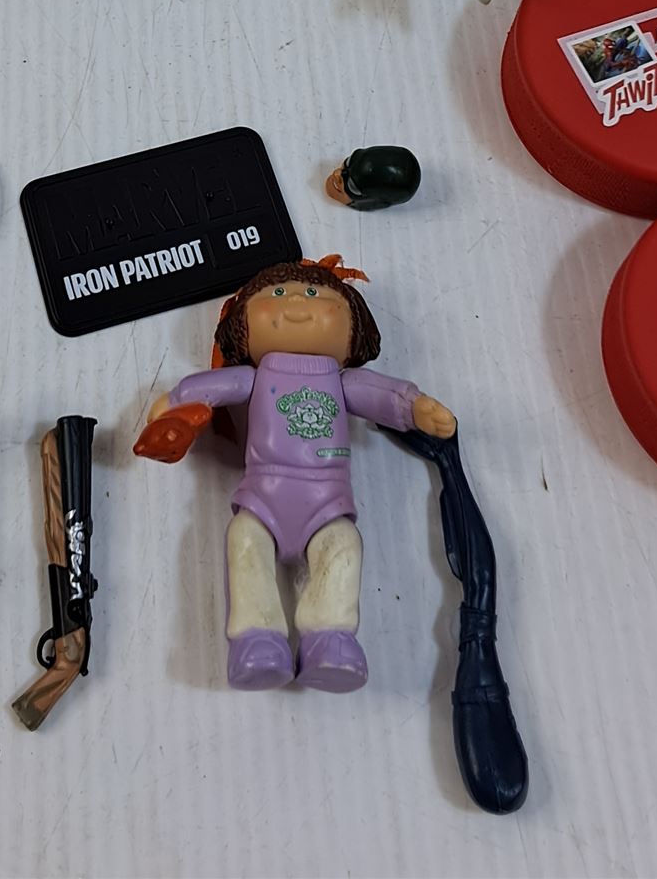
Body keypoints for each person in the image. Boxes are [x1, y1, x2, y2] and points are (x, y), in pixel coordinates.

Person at [142, 257, 455, 692]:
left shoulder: (343, 382)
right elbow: (210, 389)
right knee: (244, 541)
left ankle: (330, 638)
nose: (294, 304)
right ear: (241, 324)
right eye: (276, 294)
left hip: (326, 503)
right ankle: (256, 639)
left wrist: (415, 407)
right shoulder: (254, 377)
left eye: (313, 294)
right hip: (262, 498)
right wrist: (174, 407)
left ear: (354, 324)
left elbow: (384, 396)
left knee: (343, 546)